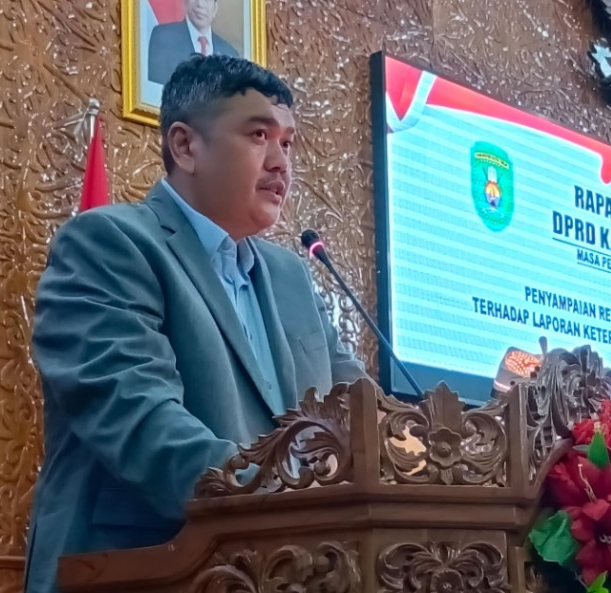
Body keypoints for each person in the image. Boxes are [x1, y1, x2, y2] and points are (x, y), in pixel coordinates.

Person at [23, 55, 368, 593]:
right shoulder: (110, 243)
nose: (281, 162)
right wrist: (287, 499)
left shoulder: (291, 276)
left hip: (286, 570)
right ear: (185, 146)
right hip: (138, 572)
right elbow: (138, 417)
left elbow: (357, 408)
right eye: (259, 135)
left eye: (288, 143)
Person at [148, 0, 239, 85]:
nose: (200, 4)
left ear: (215, 8)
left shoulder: (230, 54)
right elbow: (156, 87)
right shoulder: (164, 37)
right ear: (186, 2)